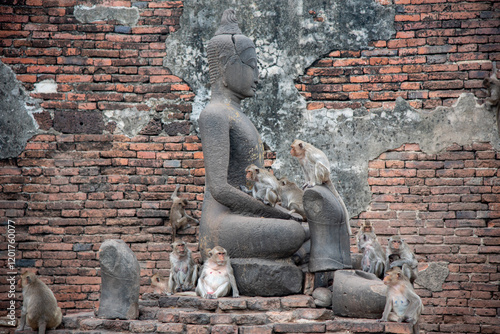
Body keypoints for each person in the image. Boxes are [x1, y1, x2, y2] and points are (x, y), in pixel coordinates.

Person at [198, 9, 306, 260]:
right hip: (221, 225)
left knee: (314, 227)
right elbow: (220, 189)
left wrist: (276, 208)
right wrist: (276, 214)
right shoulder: (215, 114)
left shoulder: (237, 115)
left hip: (245, 217)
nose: (257, 77)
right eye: (252, 67)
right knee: (294, 231)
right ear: (226, 66)